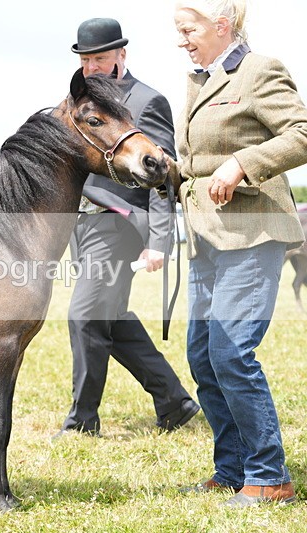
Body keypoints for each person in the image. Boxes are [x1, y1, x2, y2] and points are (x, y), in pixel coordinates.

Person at [171, 0, 307, 506]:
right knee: (204, 359)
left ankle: (270, 476)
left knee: (230, 352)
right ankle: (231, 470)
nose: (181, 39)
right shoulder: (199, 80)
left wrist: (241, 164)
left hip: (253, 233)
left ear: (221, 25)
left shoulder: (259, 70)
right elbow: (196, 158)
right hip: (207, 238)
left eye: (188, 28)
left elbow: (302, 134)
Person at [55, 18, 199, 439]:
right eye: (86, 60)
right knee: (109, 318)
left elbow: (160, 174)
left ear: (121, 55)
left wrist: (159, 241)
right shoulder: (76, 101)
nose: (92, 67)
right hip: (82, 226)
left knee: (84, 315)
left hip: (120, 226)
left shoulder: (147, 100)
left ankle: (82, 421)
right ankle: (174, 400)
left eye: (100, 58)